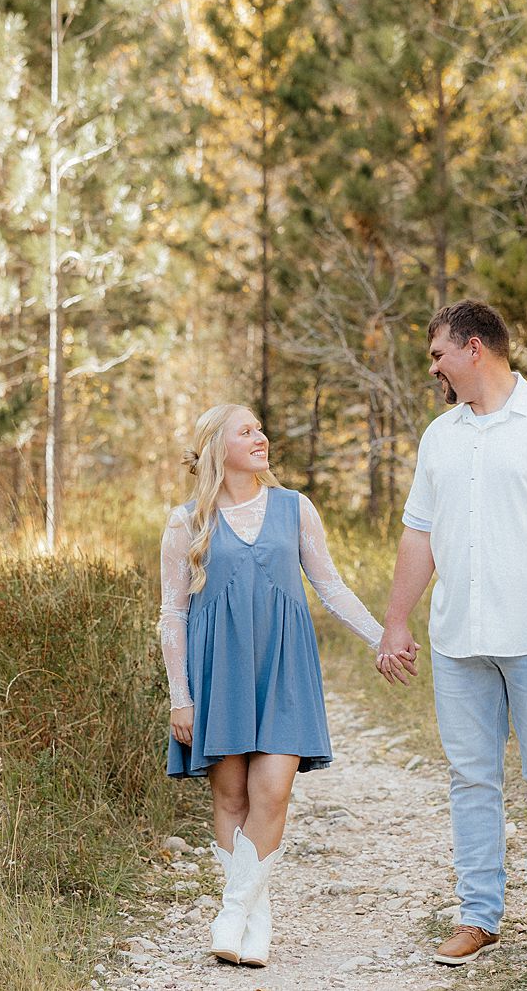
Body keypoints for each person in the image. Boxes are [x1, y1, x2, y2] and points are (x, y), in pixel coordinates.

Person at [377, 300, 527, 970]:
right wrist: (398, 619)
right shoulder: (440, 436)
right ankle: (480, 916)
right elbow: (419, 533)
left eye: (438, 354)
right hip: (459, 641)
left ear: (473, 348)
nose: (434, 367)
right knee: (472, 779)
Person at [157, 403, 388, 967]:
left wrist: (381, 637)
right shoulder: (186, 522)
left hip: (284, 668)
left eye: (261, 428)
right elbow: (173, 617)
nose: (261, 437)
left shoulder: (294, 508)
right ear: (218, 448)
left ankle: (232, 911)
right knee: (231, 796)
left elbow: (329, 585)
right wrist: (180, 697)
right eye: (247, 431)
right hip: (219, 675)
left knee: (273, 792)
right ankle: (255, 921)